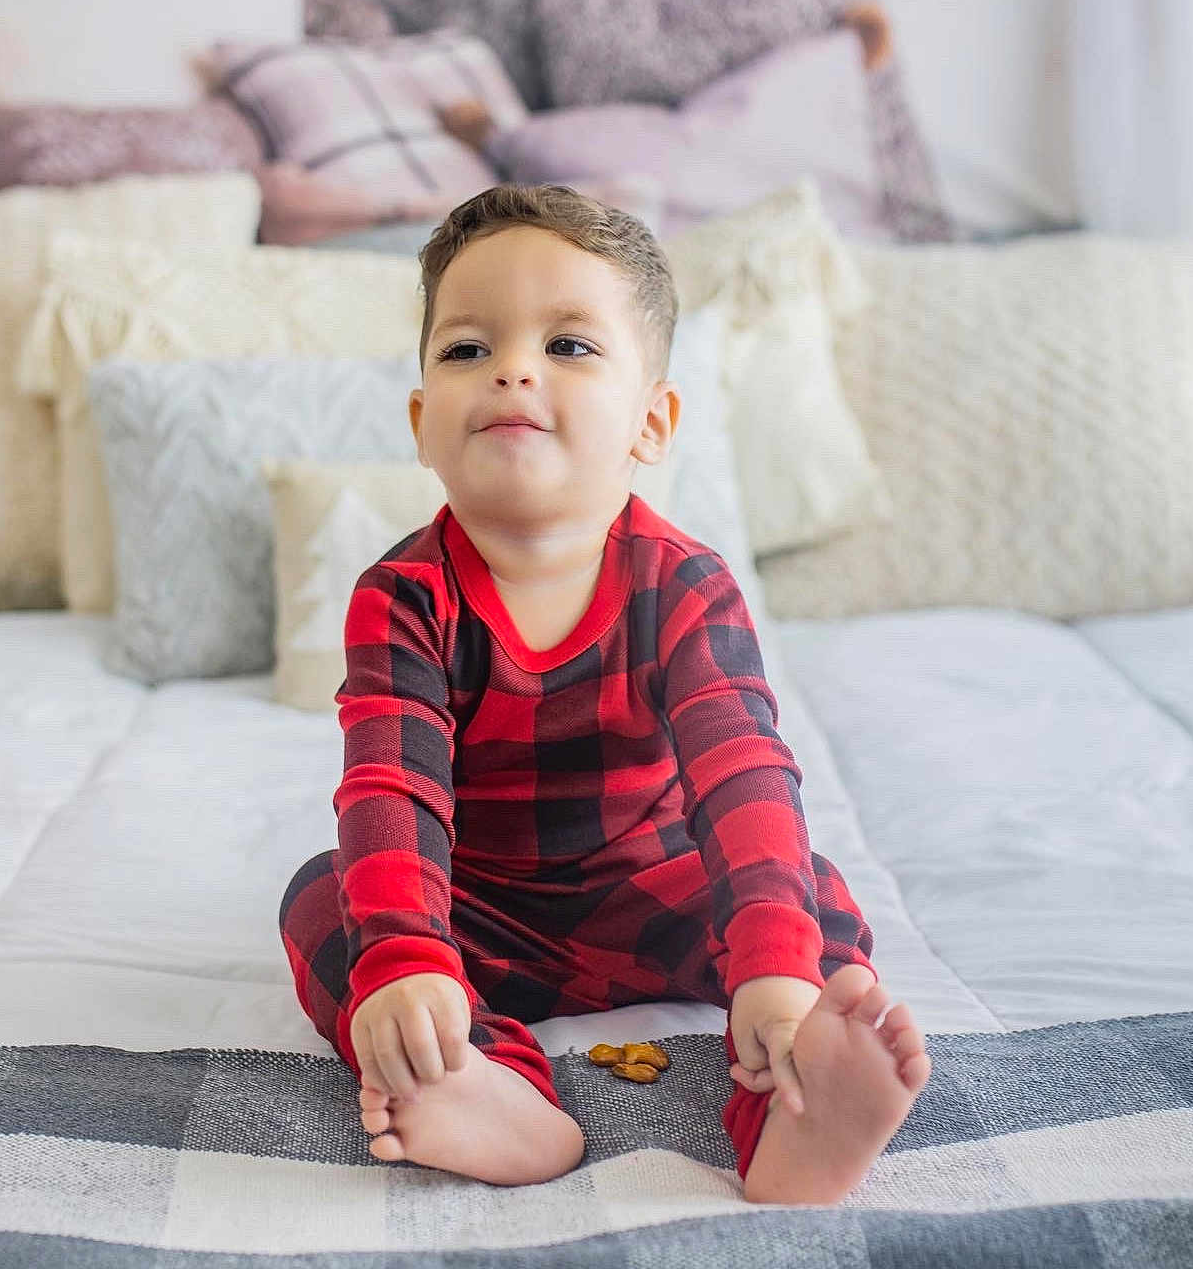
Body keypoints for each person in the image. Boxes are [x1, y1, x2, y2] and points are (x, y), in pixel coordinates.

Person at [278, 184, 932, 1200]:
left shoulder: (685, 585)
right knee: (328, 899)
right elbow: (390, 795)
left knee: (801, 888)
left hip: (658, 892)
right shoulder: (400, 597)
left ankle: (790, 1106)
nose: (513, 368)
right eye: (465, 350)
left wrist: (771, 965)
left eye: (571, 346)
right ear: (421, 422)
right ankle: (487, 1083)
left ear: (652, 421)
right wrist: (408, 964)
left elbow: (743, 775)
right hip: (483, 914)